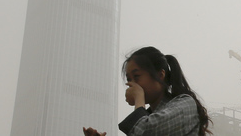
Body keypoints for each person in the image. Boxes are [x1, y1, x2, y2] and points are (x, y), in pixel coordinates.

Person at [83, 46, 212, 136]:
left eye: (137, 76)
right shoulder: (147, 117)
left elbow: (144, 132)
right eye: (129, 79)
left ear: (160, 75)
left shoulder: (185, 104)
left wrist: (139, 97)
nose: (132, 84)